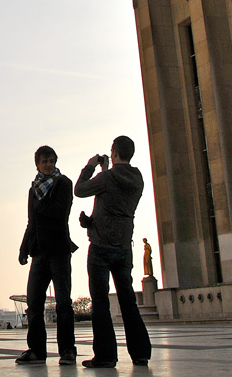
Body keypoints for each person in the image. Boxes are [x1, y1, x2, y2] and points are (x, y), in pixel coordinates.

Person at [75, 136, 152, 369]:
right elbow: (114, 203)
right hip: (123, 247)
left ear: (114, 152)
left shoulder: (106, 179)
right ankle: (140, 353)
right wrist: (106, 169)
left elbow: (79, 190)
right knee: (128, 300)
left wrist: (90, 167)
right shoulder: (137, 179)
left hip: (101, 247)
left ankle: (106, 355)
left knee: (100, 302)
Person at [16, 145, 78, 366]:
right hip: (39, 253)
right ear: (38, 165)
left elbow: (59, 212)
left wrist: (40, 208)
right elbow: (31, 222)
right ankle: (36, 350)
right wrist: (24, 249)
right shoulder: (34, 190)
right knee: (34, 303)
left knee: (63, 303)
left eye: (52, 161)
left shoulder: (64, 184)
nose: (49, 164)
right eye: (45, 161)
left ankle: (68, 350)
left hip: (59, 251)